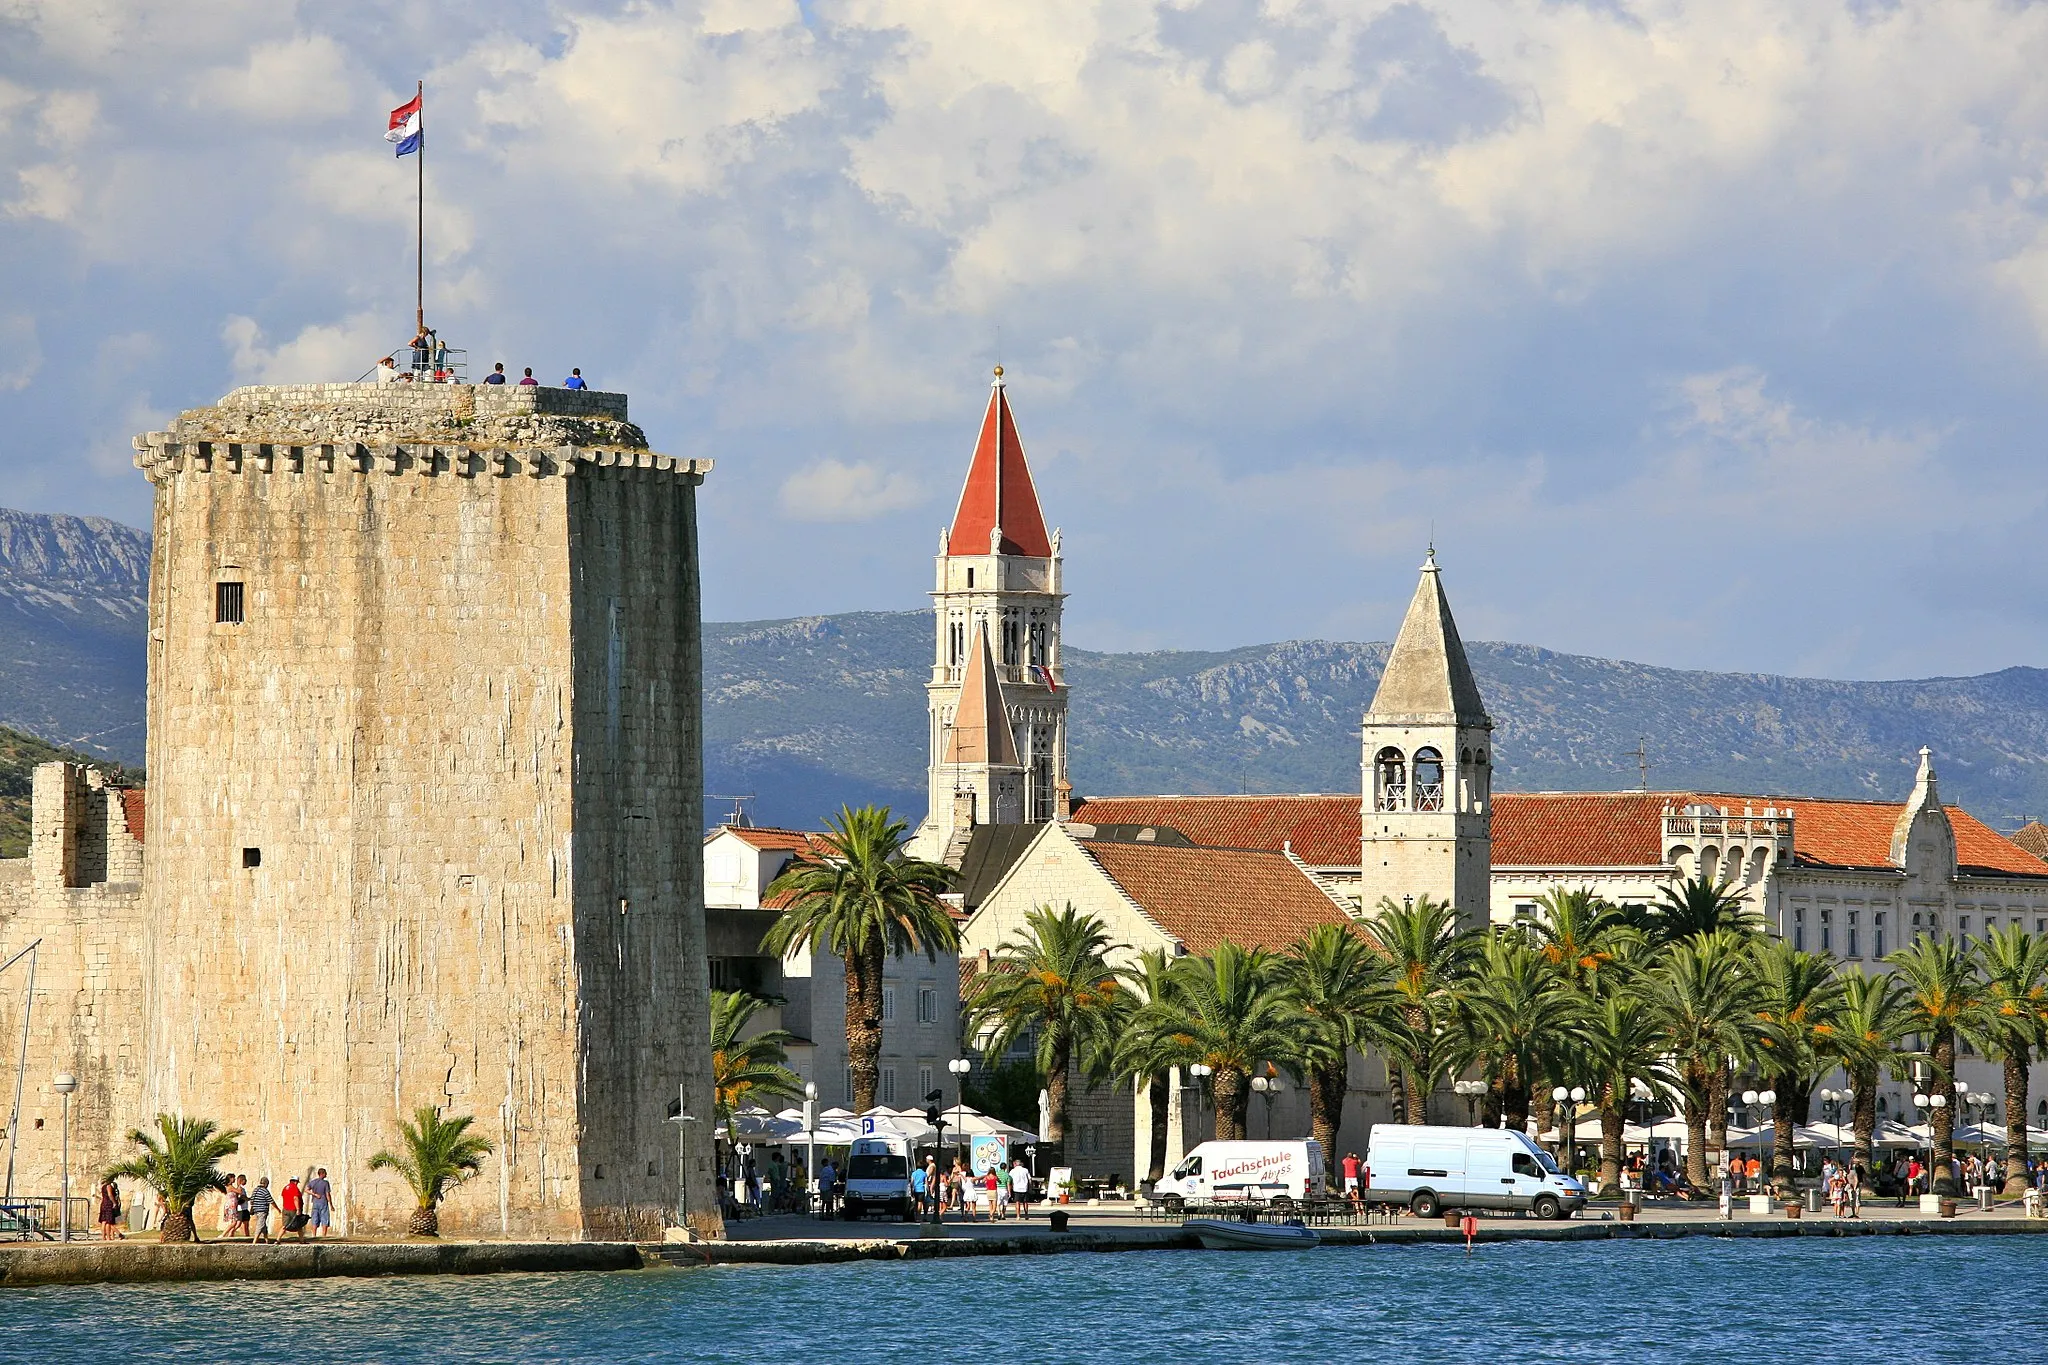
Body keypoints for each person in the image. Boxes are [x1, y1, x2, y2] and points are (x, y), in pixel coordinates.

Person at [307, 1167, 333, 1238]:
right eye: (325, 1173)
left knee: (315, 1218)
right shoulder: (325, 1183)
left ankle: (314, 1235)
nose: (326, 1175)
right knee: (325, 1218)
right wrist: (331, 1204)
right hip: (323, 1202)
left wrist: (314, 1194)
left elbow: (307, 1190)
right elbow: (327, 1194)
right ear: (322, 1174)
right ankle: (324, 1235)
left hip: (315, 1202)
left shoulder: (313, 1182)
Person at [279, 1175, 307, 1240]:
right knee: (299, 1225)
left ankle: (278, 1239)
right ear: (295, 1181)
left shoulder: (285, 1188)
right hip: (293, 1209)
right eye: (297, 1182)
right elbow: (295, 1198)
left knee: (284, 1226)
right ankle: (302, 1240)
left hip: (285, 1208)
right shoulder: (294, 1188)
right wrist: (298, 1209)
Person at [249, 1176, 275, 1243]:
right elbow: (271, 1201)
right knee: (260, 1225)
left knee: (263, 1226)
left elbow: (251, 1200)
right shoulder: (265, 1191)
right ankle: (254, 1241)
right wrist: (277, 1209)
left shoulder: (255, 1190)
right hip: (262, 1210)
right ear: (266, 1183)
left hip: (256, 1210)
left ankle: (266, 1240)